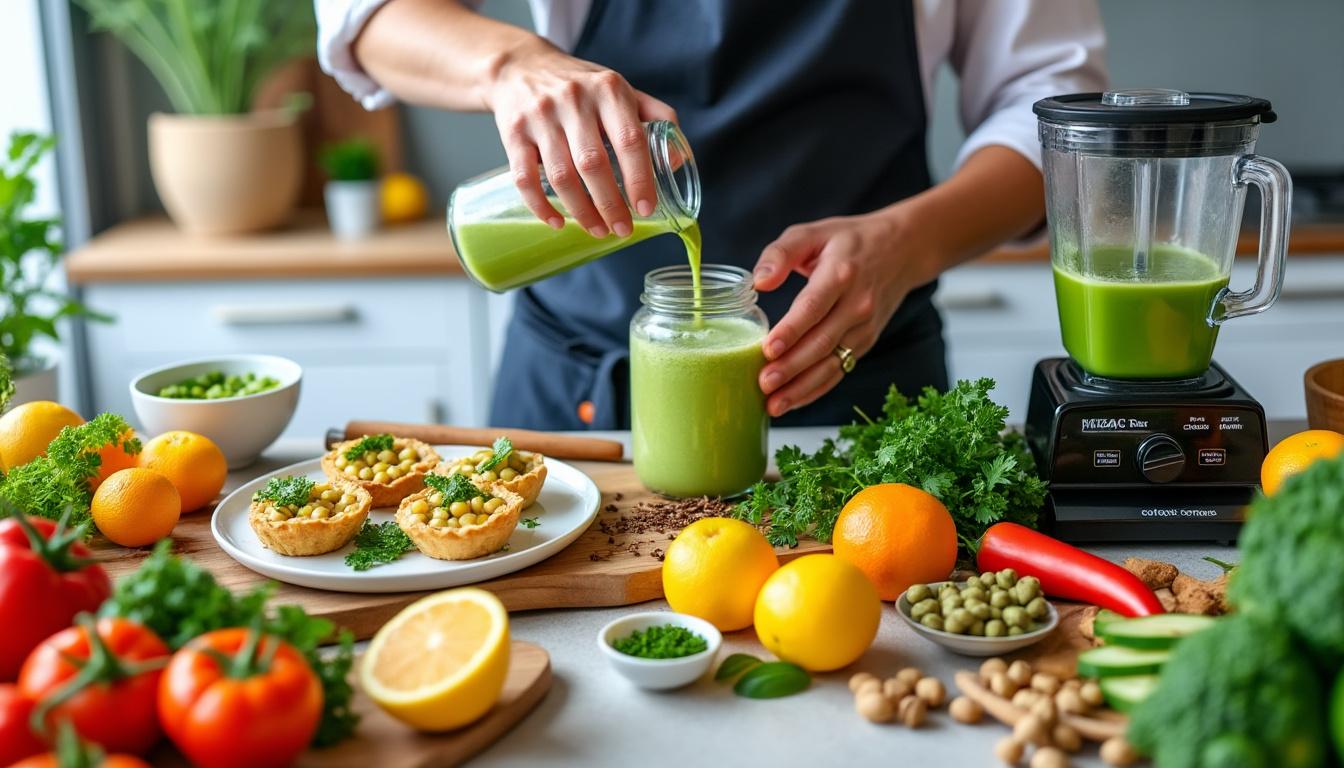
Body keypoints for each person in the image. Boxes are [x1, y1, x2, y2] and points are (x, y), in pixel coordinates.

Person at [318, 0, 1106, 429]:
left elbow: (1059, 124)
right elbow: (366, 15)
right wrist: (512, 63)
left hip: (858, 392)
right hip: (577, 388)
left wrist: (909, 240)